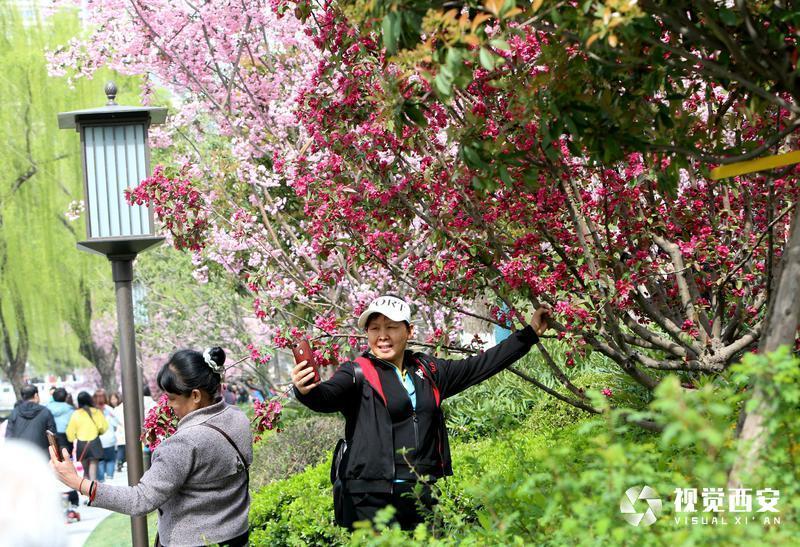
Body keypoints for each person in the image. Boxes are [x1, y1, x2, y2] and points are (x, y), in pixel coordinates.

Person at [292, 295, 551, 530]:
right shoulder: (357, 372)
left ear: (409, 330)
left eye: (391, 327)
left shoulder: (428, 371)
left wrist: (529, 334)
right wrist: (306, 390)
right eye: (374, 328)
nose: (382, 335)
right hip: (369, 499)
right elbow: (324, 397)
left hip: (421, 493)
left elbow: (480, 365)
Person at [50, 347, 252, 547]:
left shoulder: (185, 442)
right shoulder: (238, 418)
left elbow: (140, 500)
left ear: (196, 396)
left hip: (193, 542)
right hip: (237, 536)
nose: (169, 405)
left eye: (172, 398)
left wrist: (78, 482)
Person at [66, 391, 108, 481]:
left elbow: (70, 432)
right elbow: (104, 427)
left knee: (85, 472)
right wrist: (98, 432)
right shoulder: (96, 412)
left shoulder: (76, 414)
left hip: (82, 444)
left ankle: (86, 488)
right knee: (93, 468)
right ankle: (93, 489)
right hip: (94, 442)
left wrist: (72, 438)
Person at [4, 385, 56, 455]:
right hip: (42, 455)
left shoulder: (15, 412)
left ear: (23, 397)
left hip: (19, 454)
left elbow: (9, 436)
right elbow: (52, 434)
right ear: (36, 395)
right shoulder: (45, 411)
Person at [93, 389, 119, 482]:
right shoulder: (109, 409)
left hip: (97, 441)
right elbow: (116, 424)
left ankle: (101, 481)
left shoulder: (92, 411)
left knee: (100, 461)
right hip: (110, 440)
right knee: (111, 460)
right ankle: (110, 478)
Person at [47, 388, 75, 453]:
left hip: (51, 437)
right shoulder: (71, 410)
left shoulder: (47, 408)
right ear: (65, 397)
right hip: (67, 437)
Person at [109, 392, 126, 472]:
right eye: (111, 399)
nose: (112, 401)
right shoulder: (116, 409)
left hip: (121, 431)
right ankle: (120, 462)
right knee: (122, 448)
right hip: (121, 431)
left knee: (121, 448)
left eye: (114, 398)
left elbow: (114, 422)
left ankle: (120, 462)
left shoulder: (116, 409)